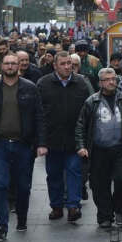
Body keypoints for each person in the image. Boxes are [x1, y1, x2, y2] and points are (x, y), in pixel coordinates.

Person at [0, 53, 47, 242]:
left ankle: (22, 217)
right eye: (6, 63)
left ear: (19, 66)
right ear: (2, 66)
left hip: (23, 145)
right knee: (0, 185)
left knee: (23, 186)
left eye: (13, 63)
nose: (9, 66)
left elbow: (39, 116)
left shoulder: (30, 88)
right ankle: (1, 227)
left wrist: (41, 143)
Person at [75, 68, 122, 228]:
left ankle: (119, 209)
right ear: (100, 83)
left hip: (121, 149)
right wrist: (81, 146)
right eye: (107, 79)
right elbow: (81, 125)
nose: (111, 82)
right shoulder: (92, 101)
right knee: (99, 184)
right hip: (99, 149)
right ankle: (104, 215)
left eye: (113, 79)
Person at [38, 51, 93, 223]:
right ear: (55, 65)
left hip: (74, 139)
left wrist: (85, 138)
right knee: (53, 174)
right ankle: (56, 206)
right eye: (63, 63)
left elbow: (88, 110)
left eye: (69, 63)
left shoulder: (81, 83)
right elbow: (38, 114)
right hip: (52, 139)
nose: (67, 66)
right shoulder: (44, 83)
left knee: (74, 172)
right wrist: (41, 140)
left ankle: (73, 206)